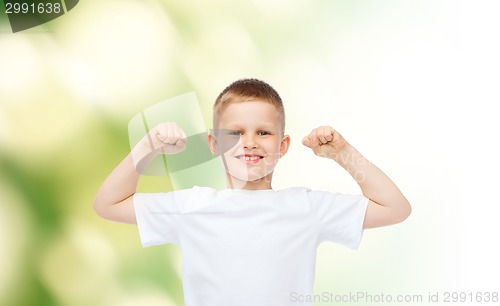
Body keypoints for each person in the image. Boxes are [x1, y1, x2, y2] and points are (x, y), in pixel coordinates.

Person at [94, 78, 411, 306]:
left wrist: (342, 152)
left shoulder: (306, 206)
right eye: (235, 133)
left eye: (263, 132)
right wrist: (149, 147)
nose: (249, 142)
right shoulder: (191, 206)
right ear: (214, 145)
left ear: (283, 145)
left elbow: (395, 208)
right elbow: (108, 204)